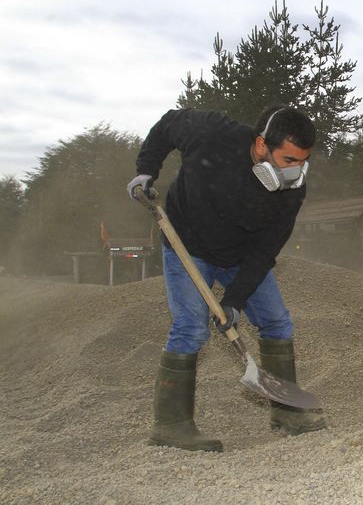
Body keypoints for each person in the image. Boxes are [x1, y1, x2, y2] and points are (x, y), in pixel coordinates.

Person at [127, 105, 326, 452]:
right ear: (262, 145)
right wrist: (145, 171)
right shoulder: (211, 133)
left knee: (278, 322)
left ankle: (287, 412)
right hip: (188, 246)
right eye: (289, 160)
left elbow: (266, 251)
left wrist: (234, 299)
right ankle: (171, 426)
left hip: (241, 255)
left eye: (302, 161)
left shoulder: (293, 190)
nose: (296, 172)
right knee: (191, 327)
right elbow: (169, 124)